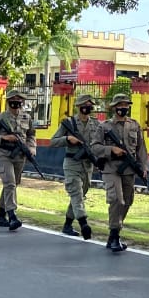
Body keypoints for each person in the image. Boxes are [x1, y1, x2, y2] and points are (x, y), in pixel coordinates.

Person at [91, 91, 148, 253]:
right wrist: (111, 149)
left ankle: (113, 232)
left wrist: (144, 167)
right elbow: (94, 147)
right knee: (117, 199)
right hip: (111, 168)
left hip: (129, 169)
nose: (123, 108)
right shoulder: (105, 126)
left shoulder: (135, 125)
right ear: (114, 108)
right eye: (120, 105)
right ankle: (115, 234)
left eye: (126, 105)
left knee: (128, 200)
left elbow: (141, 149)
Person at [50, 93, 99, 239]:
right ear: (78, 106)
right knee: (76, 192)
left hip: (88, 164)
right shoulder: (69, 123)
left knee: (79, 195)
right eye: (84, 105)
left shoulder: (96, 124)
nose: (87, 107)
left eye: (90, 105)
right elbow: (53, 141)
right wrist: (67, 139)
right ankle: (83, 223)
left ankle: (67, 224)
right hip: (72, 163)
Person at [0, 88, 36, 232]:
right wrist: (3, 138)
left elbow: (31, 134)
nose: (16, 102)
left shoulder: (27, 118)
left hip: (19, 155)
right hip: (3, 154)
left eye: (19, 100)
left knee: (13, 184)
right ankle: (12, 215)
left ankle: (1, 215)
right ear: (8, 101)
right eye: (13, 100)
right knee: (9, 183)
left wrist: (31, 148)